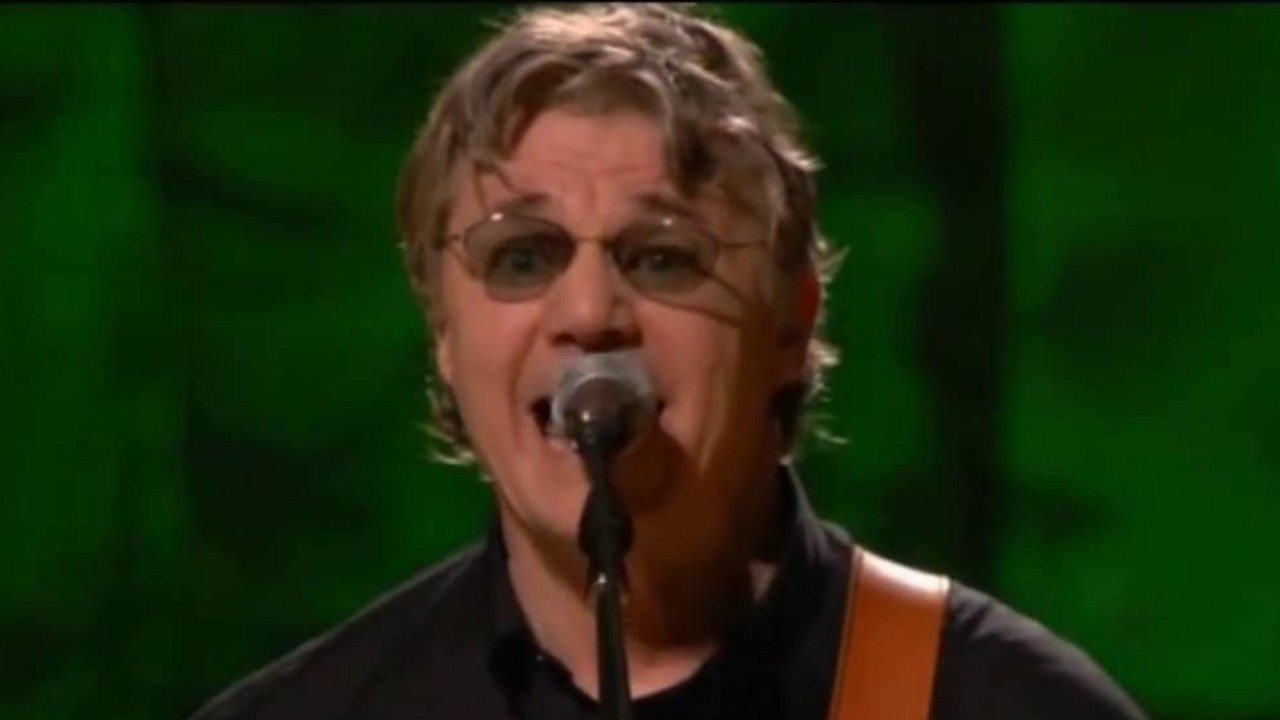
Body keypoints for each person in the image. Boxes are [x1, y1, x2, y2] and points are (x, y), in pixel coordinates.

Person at [189, 4, 1147, 719]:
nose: (589, 315)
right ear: (442, 329)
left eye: (661, 258)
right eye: (522, 258)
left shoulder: (1000, 703)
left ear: (789, 324)